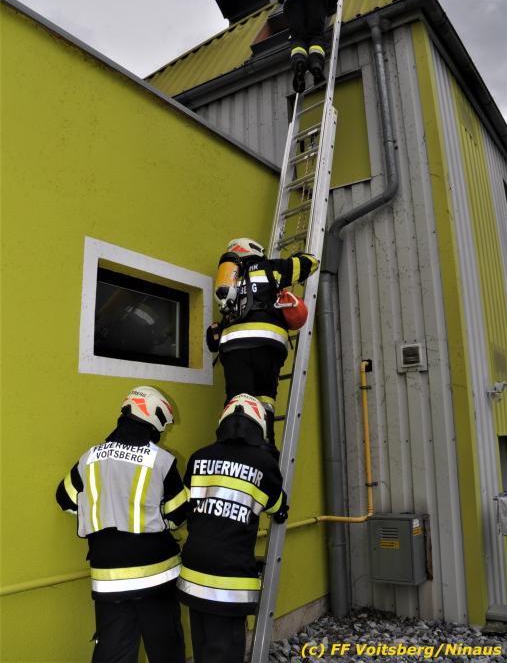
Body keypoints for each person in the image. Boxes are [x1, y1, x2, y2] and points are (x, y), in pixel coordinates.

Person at [56, 385, 187, 663]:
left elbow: (64, 499)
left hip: (109, 578)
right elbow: (178, 514)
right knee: (165, 650)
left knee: (113, 653)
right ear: (155, 419)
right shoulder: (161, 461)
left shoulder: (91, 456)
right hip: (157, 577)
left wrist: (101, 512)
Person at [176, 394, 288, 663]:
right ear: (258, 426)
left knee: (202, 648)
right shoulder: (264, 464)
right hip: (230, 581)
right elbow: (278, 508)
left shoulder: (199, 457)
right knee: (225, 653)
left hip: (193, 575)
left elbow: (186, 505)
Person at [207, 237, 319, 447]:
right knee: (265, 400)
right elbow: (310, 263)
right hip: (267, 344)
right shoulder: (270, 268)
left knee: (236, 401)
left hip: (233, 347)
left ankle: (229, 449)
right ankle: (265, 448)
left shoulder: (228, 280)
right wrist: (298, 257)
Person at [276, 0, 342, 93]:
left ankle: (299, 64)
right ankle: (316, 65)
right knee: (316, 35)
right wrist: (331, 4)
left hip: (292, 4)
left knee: (298, 39)